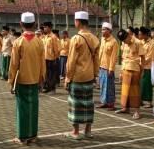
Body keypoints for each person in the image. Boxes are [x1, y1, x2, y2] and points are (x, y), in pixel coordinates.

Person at [9, 12, 45, 145]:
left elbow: (13, 64)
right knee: (33, 107)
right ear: (34, 24)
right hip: (35, 79)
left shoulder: (18, 42)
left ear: (21, 24)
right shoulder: (39, 42)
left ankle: (22, 136)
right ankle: (33, 135)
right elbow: (43, 63)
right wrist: (42, 79)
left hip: (22, 79)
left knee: (22, 108)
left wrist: (11, 81)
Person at [65, 11, 100, 140]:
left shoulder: (76, 39)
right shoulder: (95, 38)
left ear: (78, 21)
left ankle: (75, 132)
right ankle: (88, 131)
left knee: (75, 104)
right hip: (89, 76)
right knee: (88, 103)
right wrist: (95, 74)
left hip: (77, 76)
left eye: (75, 21)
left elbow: (71, 61)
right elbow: (97, 60)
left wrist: (68, 77)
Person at [116, 29, 145, 119]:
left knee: (134, 91)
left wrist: (142, 70)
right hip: (125, 69)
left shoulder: (138, 42)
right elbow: (123, 58)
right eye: (123, 41)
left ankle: (137, 111)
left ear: (129, 35)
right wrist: (121, 71)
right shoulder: (124, 43)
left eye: (125, 39)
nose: (125, 42)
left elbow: (142, 57)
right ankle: (125, 108)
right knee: (125, 91)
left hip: (134, 69)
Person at [97, 22, 119, 110]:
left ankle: (111, 103)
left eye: (104, 29)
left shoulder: (114, 42)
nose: (102, 31)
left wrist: (111, 69)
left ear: (109, 31)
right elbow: (100, 53)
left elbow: (114, 57)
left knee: (109, 86)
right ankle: (103, 102)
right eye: (102, 29)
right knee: (102, 85)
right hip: (101, 66)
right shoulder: (102, 39)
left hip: (108, 68)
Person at [138, 27, 154, 108]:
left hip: (147, 67)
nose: (139, 35)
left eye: (140, 34)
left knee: (147, 84)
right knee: (140, 84)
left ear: (145, 35)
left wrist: (142, 64)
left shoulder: (151, 43)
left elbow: (149, 57)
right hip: (139, 66)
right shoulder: (140, 42)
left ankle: (149, 101)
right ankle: (140, 100)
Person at [43, 22, 60, 94]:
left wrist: (56, 58)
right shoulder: (46, 37)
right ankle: (48, 88)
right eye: (44, 27)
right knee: (47, 74)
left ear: (49, 28)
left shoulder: (53, 37)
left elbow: (57, 49)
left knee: (52, 74)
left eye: (45, 27)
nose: (44, 29)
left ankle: (53, 89)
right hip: (45, 58)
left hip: (52, 59)